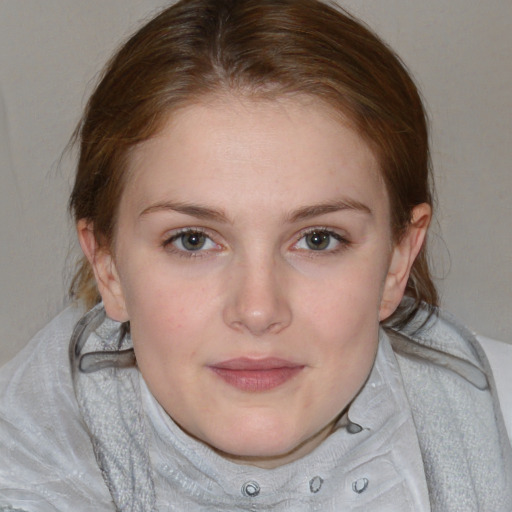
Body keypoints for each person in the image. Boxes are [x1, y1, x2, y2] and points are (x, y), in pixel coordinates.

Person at [0, 0, 511, 510]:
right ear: (107, 267)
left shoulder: (496, 416)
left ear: (398, 259)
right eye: (193, 240)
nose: (258, 310)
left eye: (318, 239)